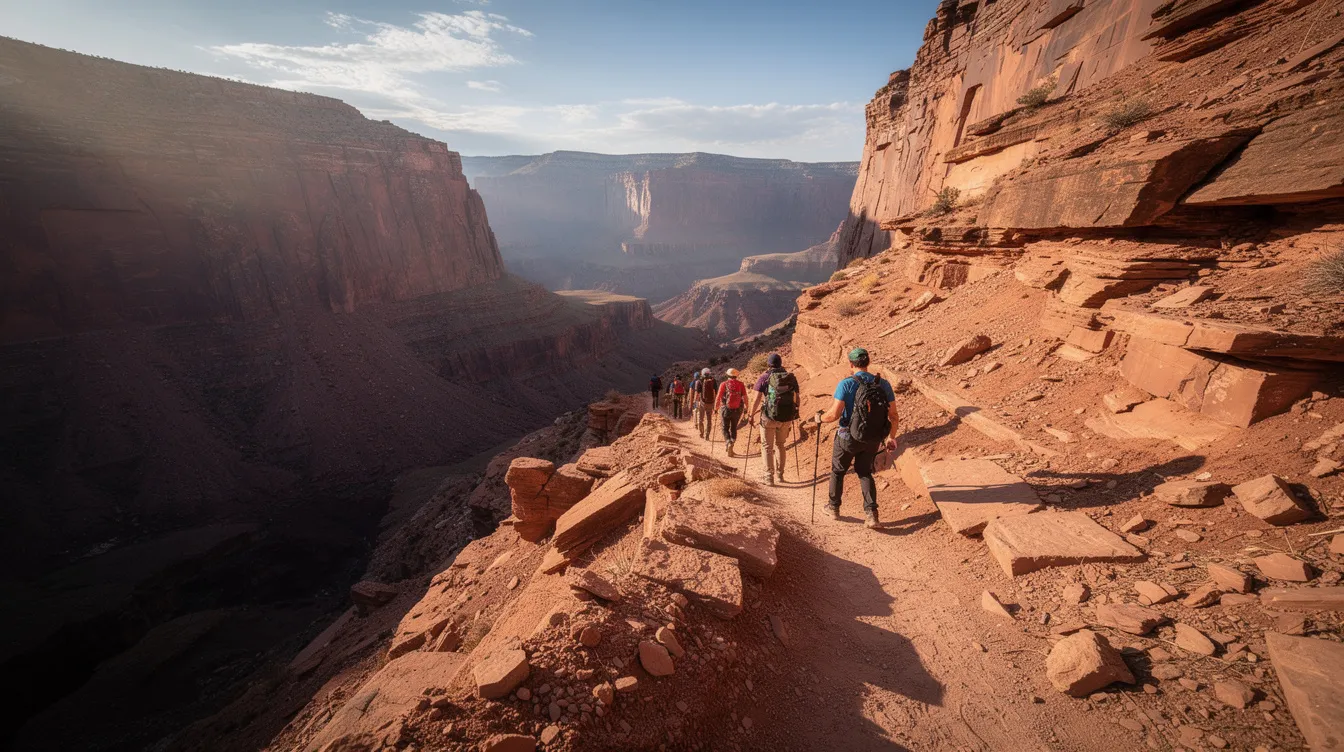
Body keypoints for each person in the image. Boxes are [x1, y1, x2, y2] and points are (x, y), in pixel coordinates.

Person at [814, 347, 899, 529]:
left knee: (838, 471)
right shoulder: (883, 384)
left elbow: (834, 414)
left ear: (851, 364)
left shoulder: (846, 384)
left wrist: (819, 418)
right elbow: (894, 416)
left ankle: (833, 507)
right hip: (872, 438)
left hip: (847, 437)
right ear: (868, 363)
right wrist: (891, 437)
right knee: (865, 472)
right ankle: (872, 515)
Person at [748, 353, 798, 486]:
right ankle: (780, 475)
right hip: (786, 417)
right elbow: (796, 397)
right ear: (781, 363)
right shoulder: (790, 377)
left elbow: (757, 398)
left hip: (768, 417)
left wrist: (751, 414)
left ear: (768, 364)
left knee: (767, 447)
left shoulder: (764, 377)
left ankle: (769, 477)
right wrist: (795, 412)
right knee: (780, 445)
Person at [715, 368, 748, 457]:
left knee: (725, 427)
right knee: (734, 427)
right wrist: (746, 408)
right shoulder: (741, 384)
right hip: (737, 410)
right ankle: (732, 444)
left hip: (725, 409)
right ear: (736, 375)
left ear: (728, 375)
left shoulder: (724, 384)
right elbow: (745, 397)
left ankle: (728, 441)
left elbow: (718, 397)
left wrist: (716, 408)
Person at [695, 367, 717, 439]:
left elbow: (697, 393)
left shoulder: (700, 381)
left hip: (702, 402)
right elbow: (715, 392)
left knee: (701, 418)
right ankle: (707, 435)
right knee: (709, 419)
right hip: (711, 402)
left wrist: (696, 401)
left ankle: (701, 433)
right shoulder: (713, 381)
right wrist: (714, 402)